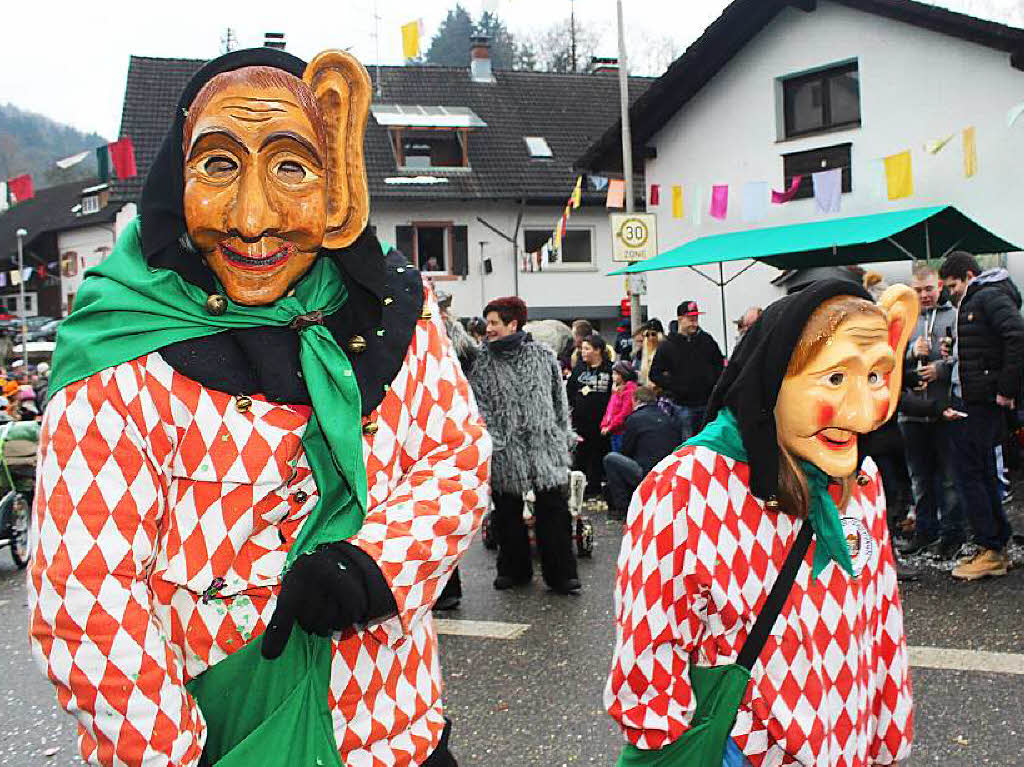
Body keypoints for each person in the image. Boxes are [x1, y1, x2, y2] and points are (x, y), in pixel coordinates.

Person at [28, 48, 490, 767]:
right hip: (221, 740)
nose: (251, 218)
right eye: (218, 165)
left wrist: (375, 565)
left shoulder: (394, 303)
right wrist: (176, 754)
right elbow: (86, 596)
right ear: (175, 177)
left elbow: (455, 460)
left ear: (335, 180)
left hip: (394, 731)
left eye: (290, 167)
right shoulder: (119, 343)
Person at [607, 280, 916, 766]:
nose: (863, 410)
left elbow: (879, 620)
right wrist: (659, 736)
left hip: (844, 735)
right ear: (774, 375)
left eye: (877, 376)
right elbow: (651, 645)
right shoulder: (686, 488)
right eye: (834, 379)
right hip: (748, 745)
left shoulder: (864, 478)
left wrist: (885, 736)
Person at [468, 296, 580, 594]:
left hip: (545, 444)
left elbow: (559, 398)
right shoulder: (481, 361)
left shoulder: (543, 356)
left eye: (494, 322)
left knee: (553, 510)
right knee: (506, 511)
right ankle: (513, 570)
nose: (488, 328)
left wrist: (562, 435)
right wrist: (495, 438)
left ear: (512, 323)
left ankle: (561, 575)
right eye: (488, 322)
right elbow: (479, 403)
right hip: (505, 448)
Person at [939, 251, 1024, 580]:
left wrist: (1006, 389)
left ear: (969, 275)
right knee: (981, 472)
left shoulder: (986, 295)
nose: (951, 293)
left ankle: (990, 549)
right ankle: (996, 543)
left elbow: (1017, 337)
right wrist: (954, 352)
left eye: (953, 286)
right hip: (975, 399)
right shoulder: (981, 298)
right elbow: (989, 345)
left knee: (970, 475)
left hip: (979, 402)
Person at [897, 265, 965, 558]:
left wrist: (941, 368)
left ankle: (952, 535)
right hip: (911, 413)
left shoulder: (956, 315)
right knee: (919, 478)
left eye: (927, 289)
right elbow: (888, 359)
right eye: (917, 290)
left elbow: (965, 356)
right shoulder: (904, 320)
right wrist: (911, 351)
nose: (923, 295)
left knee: (950, 477)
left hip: (944, 408)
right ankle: (925, 532)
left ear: (938, 287)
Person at [602, 385, 681, 520]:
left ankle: (623, 508)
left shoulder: (634, 419)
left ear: (635, 400)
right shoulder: (668, 418)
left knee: (611, 459)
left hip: (647, 472)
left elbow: (626, 450)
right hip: (669, 472)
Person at [649, 300, 724, 441]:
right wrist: (676, 385)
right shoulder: (667, 345)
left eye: (696, 319)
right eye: (690, 319)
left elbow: (719, 365)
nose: (694, 323)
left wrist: (712, 381)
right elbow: (654, 374)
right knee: (687, 445)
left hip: (707, 403)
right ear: (680, 319)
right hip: (682, 406)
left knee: (708, 443)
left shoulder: (707, 340)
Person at [567, 333, 614, 497]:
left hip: (602, 422)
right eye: (582, 349)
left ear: (598, 350)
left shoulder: (610, 369)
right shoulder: (579, 369)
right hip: (581, 422)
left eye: (587, 349)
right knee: (580, 456)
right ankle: (577, 489)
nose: (583, 352)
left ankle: (595, 487)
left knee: (598, 455)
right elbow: (570, 391)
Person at [601, 360, 638, 452]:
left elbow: (625, 413)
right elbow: (609, 409)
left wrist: (610, 426)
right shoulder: (616, 391)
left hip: (621, 432)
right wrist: (604, 424)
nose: (612, 376)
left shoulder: (629, 391)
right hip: (613, 431)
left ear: (623, 374)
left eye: (615, 374)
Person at [634, 319, 664, 386]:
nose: (650, 338)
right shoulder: (639, 354)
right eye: (647, 335)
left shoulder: (666, 352)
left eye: (653, 334)